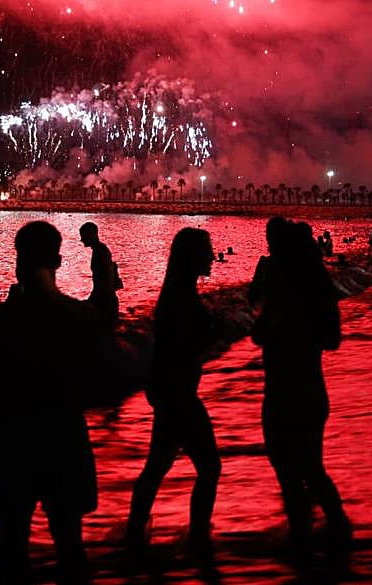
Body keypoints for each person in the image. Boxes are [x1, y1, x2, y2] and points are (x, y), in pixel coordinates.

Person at [0, 221, 101, 585]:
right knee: (71, 548)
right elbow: (102, 384)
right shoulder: (79, 318)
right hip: (65, 442)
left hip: (12, 445)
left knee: (12, 553)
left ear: (17, 263)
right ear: (58, 261)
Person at [249, 219, 351, 557]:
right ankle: (310, 538)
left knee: (304, 468)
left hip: (299, 390)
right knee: (291, 469)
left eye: (273, 247)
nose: (269, 253)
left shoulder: (303, 288)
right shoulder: (286, 285)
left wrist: (287, 329)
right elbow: (261, 333)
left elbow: (329, 338)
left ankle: (330, 535)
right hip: (285, 390)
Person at [126, 228, 221, 550]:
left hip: (171, 393)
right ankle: (197, 538)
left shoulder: (179, 292)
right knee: (209, 467)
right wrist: (213, 329)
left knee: (157, 466)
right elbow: (181, 348)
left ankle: (135, 532)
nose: (212, 256)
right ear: (192, 256)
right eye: (207, 250)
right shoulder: (181, 298)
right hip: (179, 395)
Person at [79, 221, 120, 329]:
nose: (82, 240)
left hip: (105, 301)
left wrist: (92, 300)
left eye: (83, 236)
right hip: (105, 299)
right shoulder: (100, 250)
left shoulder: (100, 252)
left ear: (91, 235)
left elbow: (103, 281)